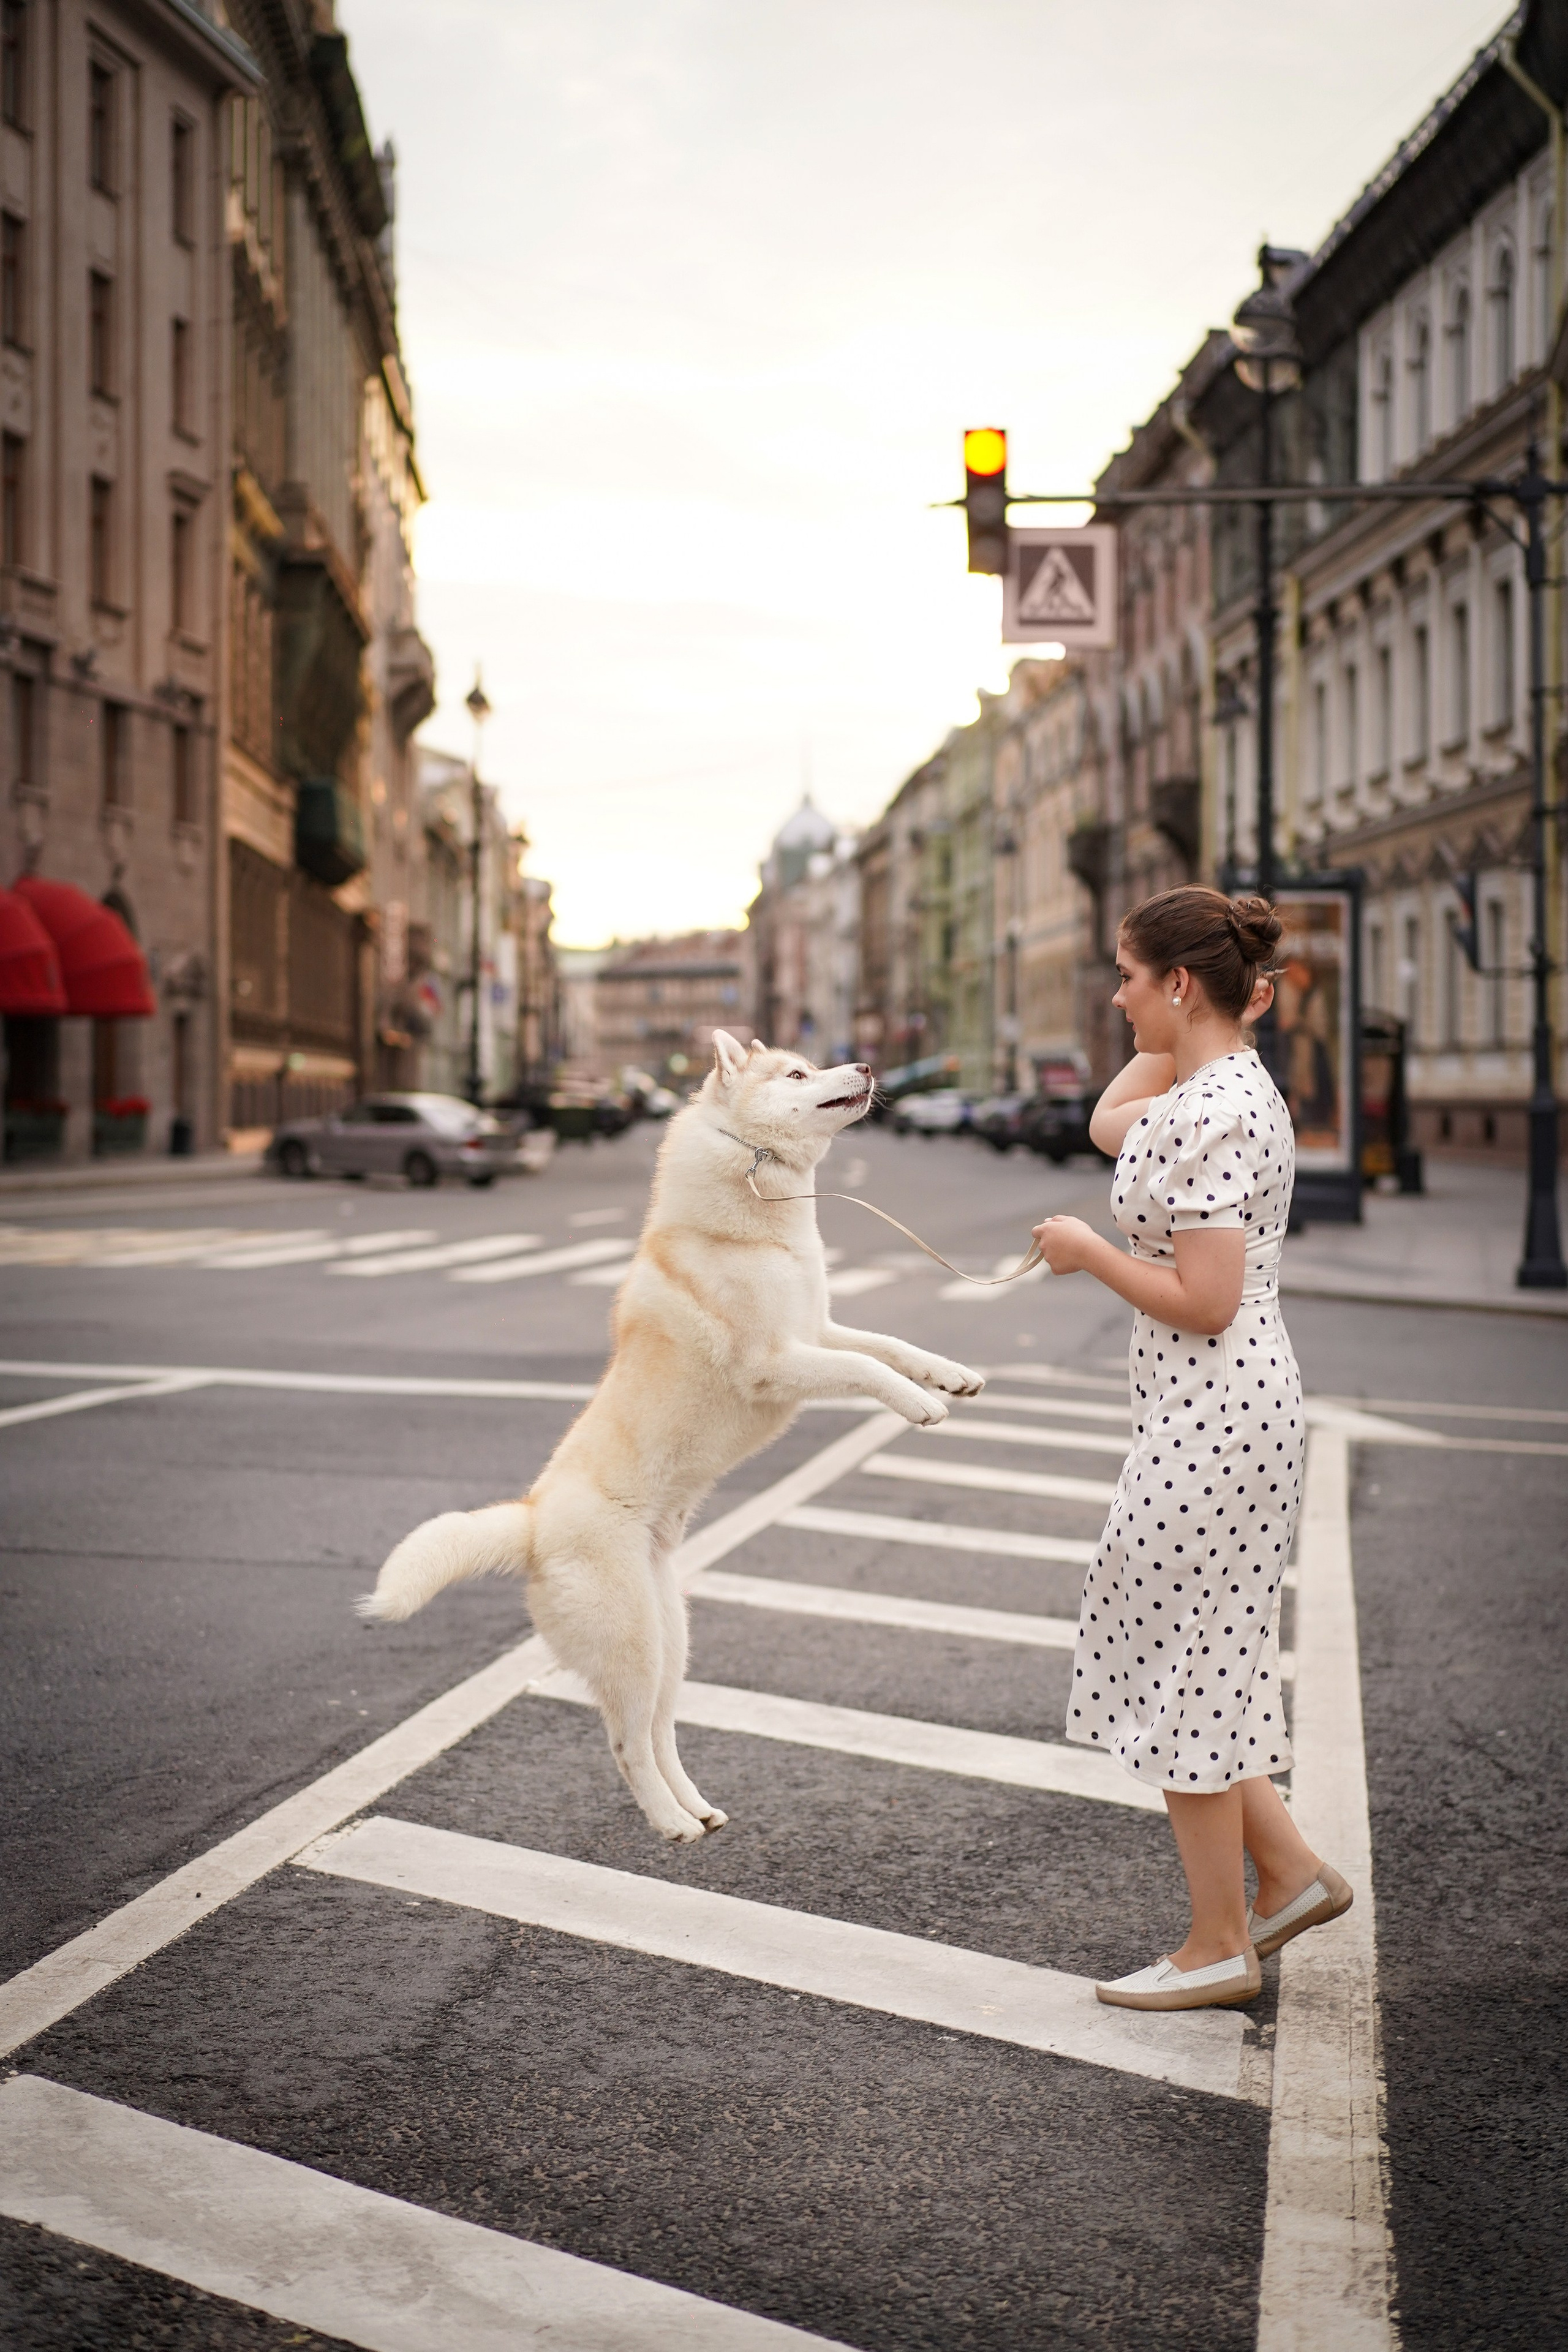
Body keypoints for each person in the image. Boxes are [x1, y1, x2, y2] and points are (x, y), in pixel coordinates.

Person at [1030, 886, 1352, 2013]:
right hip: (1205, 1414)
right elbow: (1109, 1123)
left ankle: (1219, 1941)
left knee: (1183, 1661)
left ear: (1176, 982)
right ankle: (1294, 1876)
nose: (1113, 997)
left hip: (1219, 1409)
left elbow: (1206, 1298)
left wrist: (1086, 1251)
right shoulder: (1208, 1089)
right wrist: (1190, 1024)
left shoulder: (1217, 1109)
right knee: (1193, 1647)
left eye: (1128, 977)